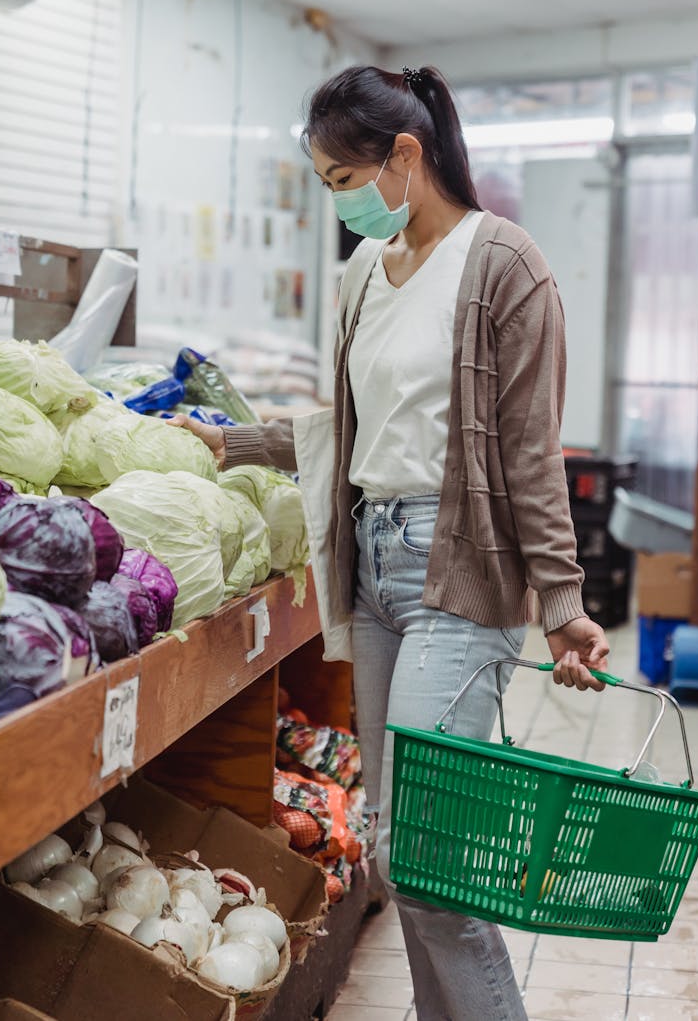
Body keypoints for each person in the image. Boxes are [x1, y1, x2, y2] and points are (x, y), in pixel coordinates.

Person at [170, 64, 610, 1021]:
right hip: (372, 564)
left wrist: (564, 603)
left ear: (405, 156)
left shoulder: (506, 266)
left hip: (459, 572)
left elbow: (532, 452)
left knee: (425, 855)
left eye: (342, 180)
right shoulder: (363, 273)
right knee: (391, 847)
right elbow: (346, 427)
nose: (339, 204)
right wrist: (232, 442)